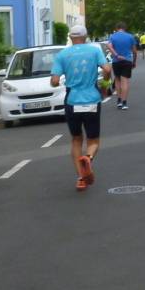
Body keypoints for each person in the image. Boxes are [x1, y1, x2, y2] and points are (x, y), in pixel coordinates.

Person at [50, 24, 112, 190]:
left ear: (71, 37)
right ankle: (88, 158)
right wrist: (105, 85)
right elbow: (107, 69)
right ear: (85, 37)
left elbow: (54, 81)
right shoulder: (94, 51)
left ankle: (81, 179)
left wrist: (56, 82)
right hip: (92, 99)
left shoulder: (62, 55)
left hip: (72, 101)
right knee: (93, 141)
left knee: (76, 140)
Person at [107, 22, 138, 110]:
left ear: (116, 28)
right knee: (125, 81)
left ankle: (119, 100)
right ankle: (125, 102)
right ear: (125, 28)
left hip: (116, 61)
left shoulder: (112, 37)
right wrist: (134, 62)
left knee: (117, 79)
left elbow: (109, 47)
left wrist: (116, 55)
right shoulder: (130, 36)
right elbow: (134, 51)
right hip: (127, 60)